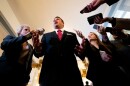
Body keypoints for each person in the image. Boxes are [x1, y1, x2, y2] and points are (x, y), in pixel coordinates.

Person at [32, 16, 85, 86]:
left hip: (70, 73)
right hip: (50, 73)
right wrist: (37, 49)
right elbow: (39, 53)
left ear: (63, 23)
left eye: (57, 19)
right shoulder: (46, 35)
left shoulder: (72, 35)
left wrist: (82, 51)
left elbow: (79, 51)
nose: (55, 20)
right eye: (53, 20)